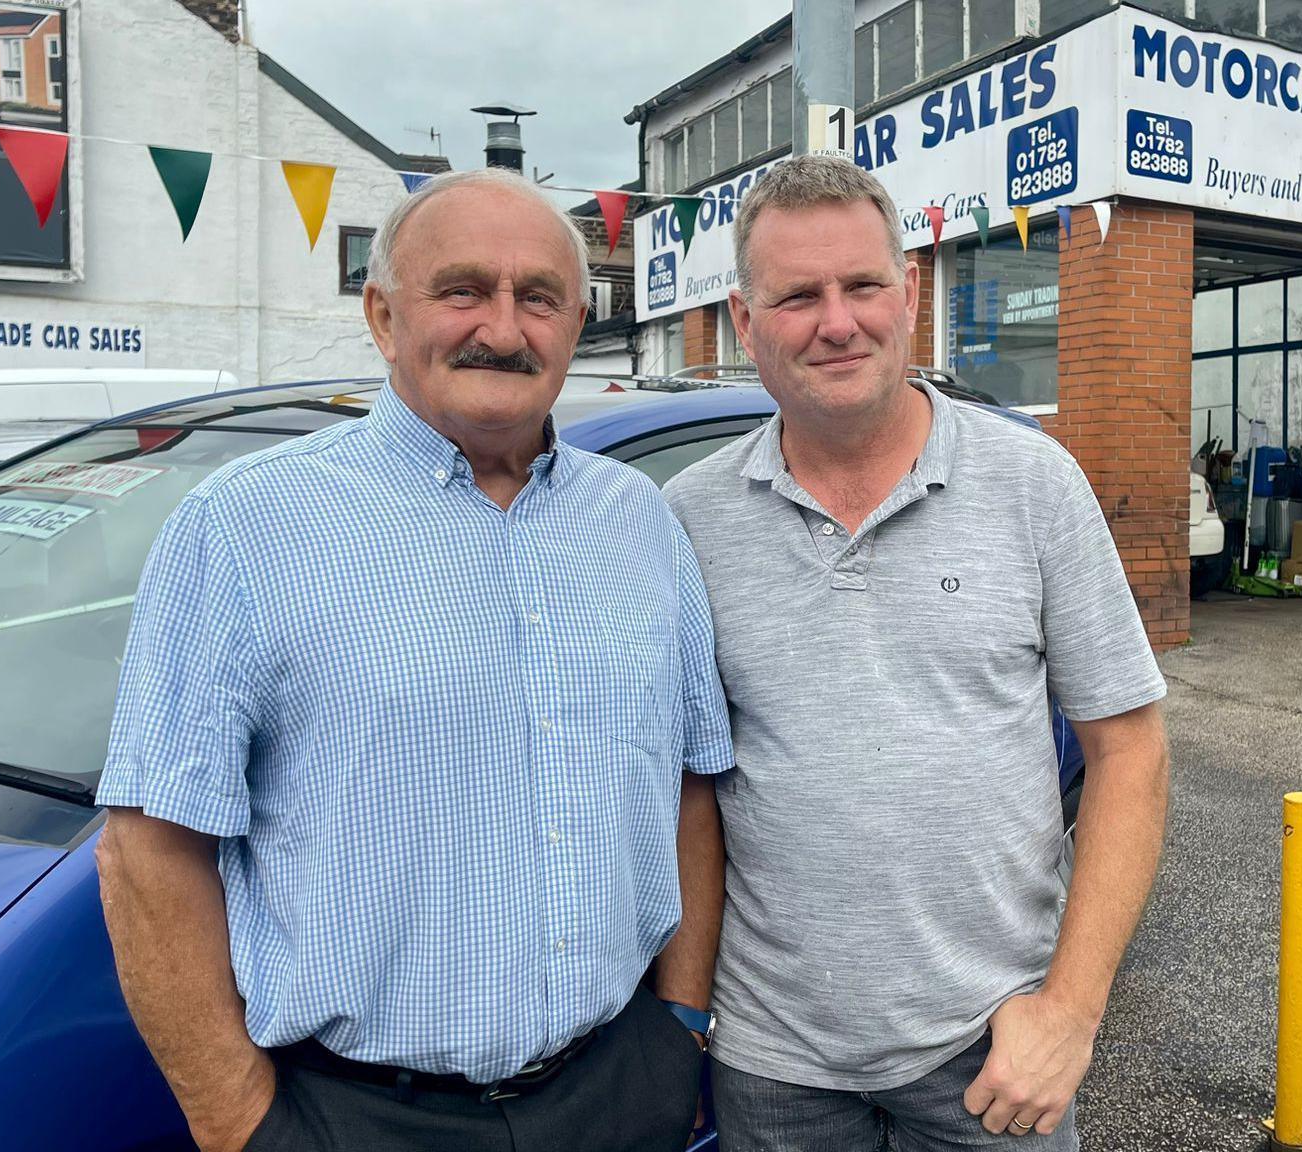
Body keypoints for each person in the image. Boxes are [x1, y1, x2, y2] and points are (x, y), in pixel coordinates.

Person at [96, 167, 732, 1152]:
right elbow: (148, 848)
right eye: (462, 289)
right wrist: (238, 1124)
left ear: (576, 323)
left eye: (539, 298)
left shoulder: (637, 524)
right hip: (355, 1117)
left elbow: (691, 782)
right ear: (385, 316)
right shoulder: (244, 526)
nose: (504, 329)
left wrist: (680, 1028)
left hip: (616, 1093)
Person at [663, 155, 1169, 1151]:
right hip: (772, 1071)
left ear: (909, 292)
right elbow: (689, 791)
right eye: (796, 295)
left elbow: (1130, 754)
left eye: (860, 285)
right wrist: (685, 1023)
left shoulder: (1032, 483)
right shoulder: (688, 521)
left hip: (994, 1057)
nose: (836, 321)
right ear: (742, 321)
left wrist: (1069, 1012)